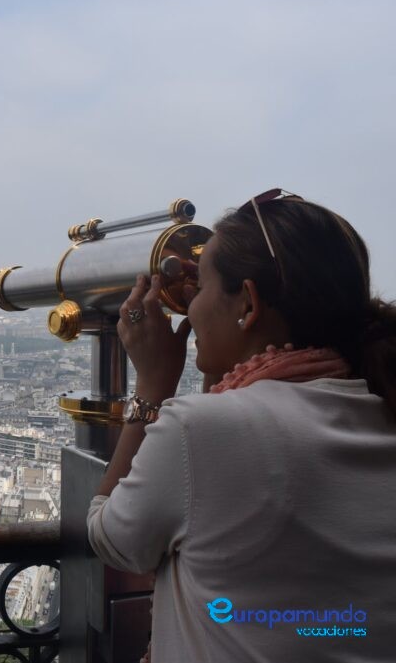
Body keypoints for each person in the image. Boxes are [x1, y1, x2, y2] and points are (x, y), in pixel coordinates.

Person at [86, 191, 396, 662]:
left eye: (202, 289)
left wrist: (152, 387)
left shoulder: (201, 431)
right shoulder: (380, 406)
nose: (189, 308)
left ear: (248, 304)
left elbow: (110, 537)